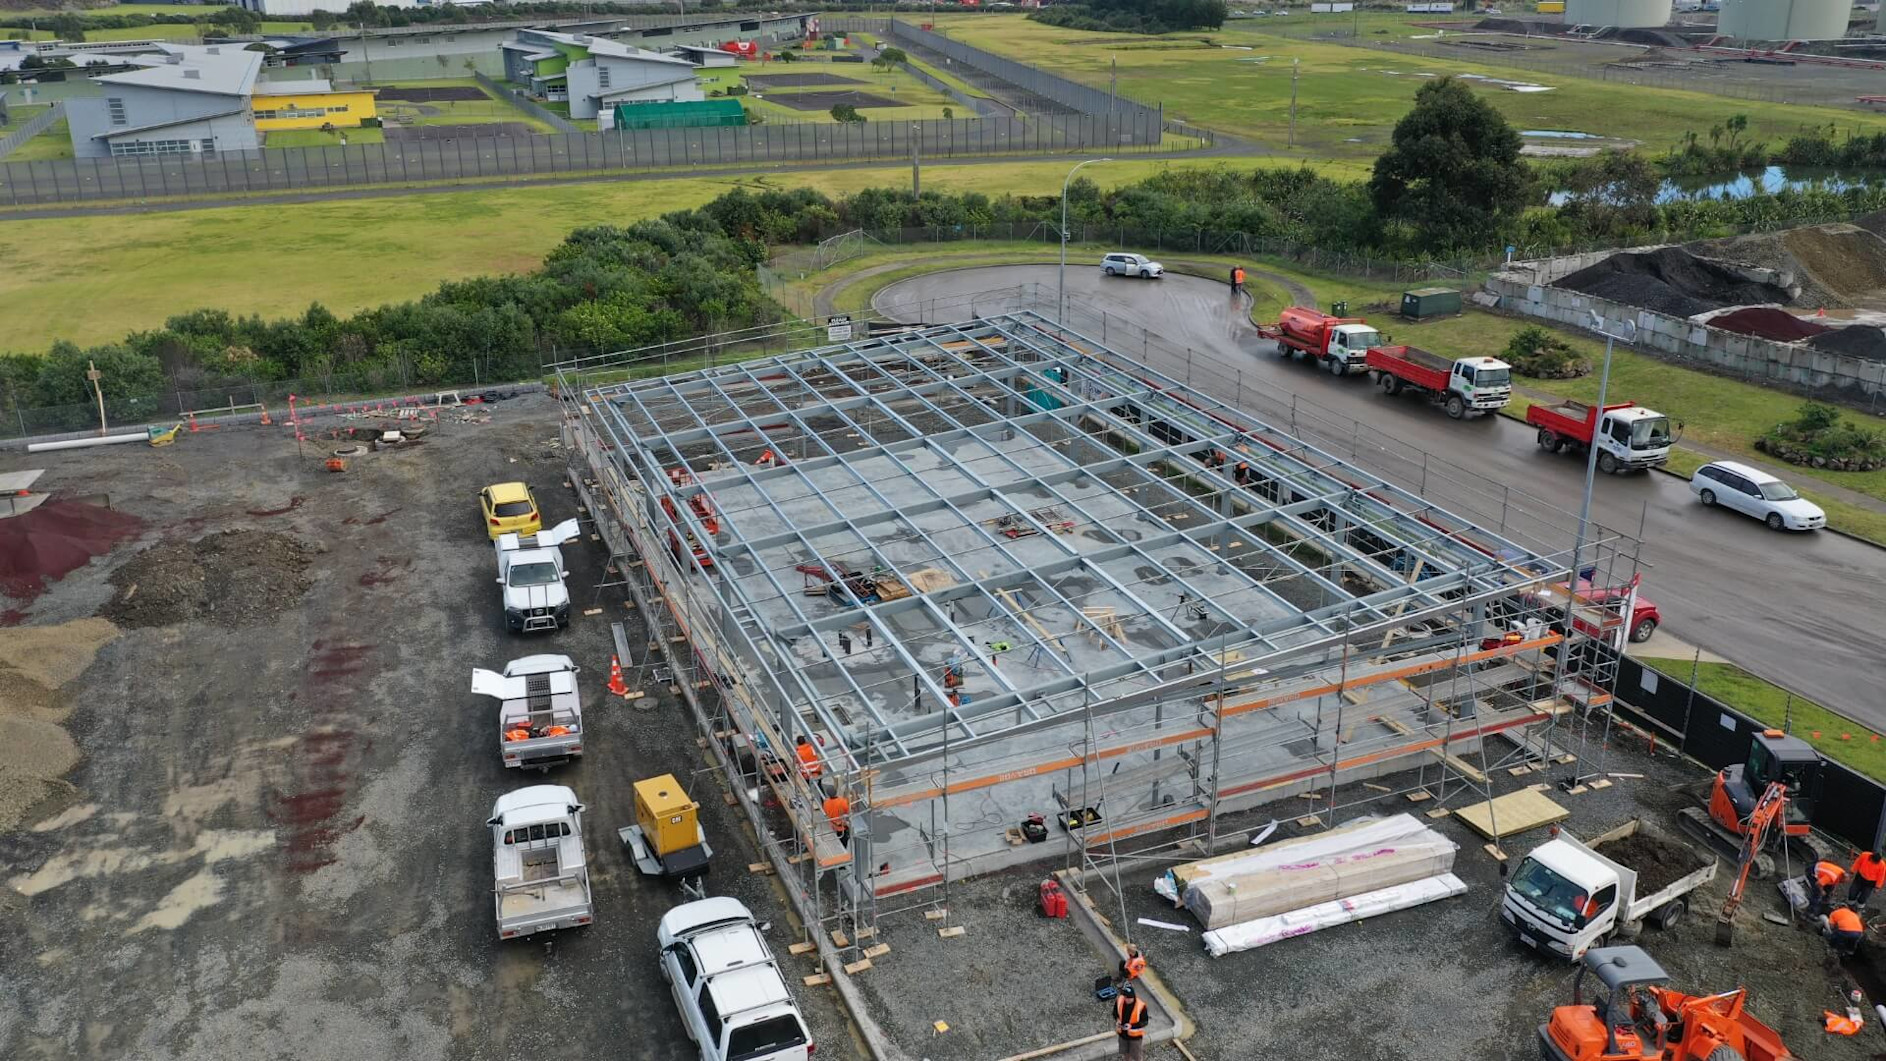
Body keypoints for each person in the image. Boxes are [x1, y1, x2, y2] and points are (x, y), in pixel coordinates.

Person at [1113, 984, 1149, 1060]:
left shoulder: (1141, 1006)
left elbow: (1145, 1022)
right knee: (1125, 1052)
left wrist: (1131, 1026)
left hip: (1135, 1037)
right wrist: (1117, 1020)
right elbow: (1115, 1013)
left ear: (1133, 997)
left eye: (1128, 998)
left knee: (1136, 1055)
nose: (1125, 999)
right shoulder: (1120, 1000)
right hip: (1122, 1034)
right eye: (1125, 997)